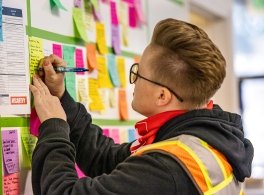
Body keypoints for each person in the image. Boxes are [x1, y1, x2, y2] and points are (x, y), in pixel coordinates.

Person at [29, 18, 254, 195]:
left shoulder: (168, 167)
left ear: (162, 96)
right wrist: (62, 99)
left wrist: (54, 126)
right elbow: (104, 159)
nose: (134, 81)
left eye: (139, 74)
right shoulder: (201, 143)